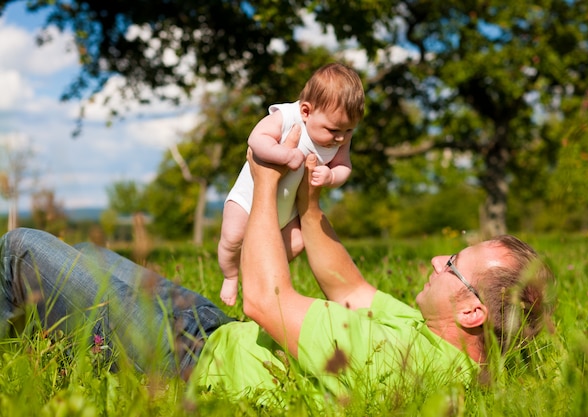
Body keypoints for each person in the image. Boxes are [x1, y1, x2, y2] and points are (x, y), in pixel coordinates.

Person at [0, 127, 554, 406]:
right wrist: (310, 203)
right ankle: (40, 355)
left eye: (453, 264)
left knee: (21, 249)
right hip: (208, 329)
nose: (437, 260)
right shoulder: (433, 342)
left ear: (473, 309)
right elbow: (348, 283)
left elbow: (265, 300)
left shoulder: (404, 358)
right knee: (88, 259)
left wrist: (264, 181)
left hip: (180, 365)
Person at [218, 62, 365, 306]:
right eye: (333, 130)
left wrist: (331, 177)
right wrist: (283, 155)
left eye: (349, 131)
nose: (340, 138)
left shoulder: (340, 138)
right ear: (306, 112)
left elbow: (344, 166)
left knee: (298, 241)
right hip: (249, 199)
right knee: (232, 237)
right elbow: (256, 139)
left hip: (287, 212)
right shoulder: (287, 117)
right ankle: (231, 275)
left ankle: (257, 271)